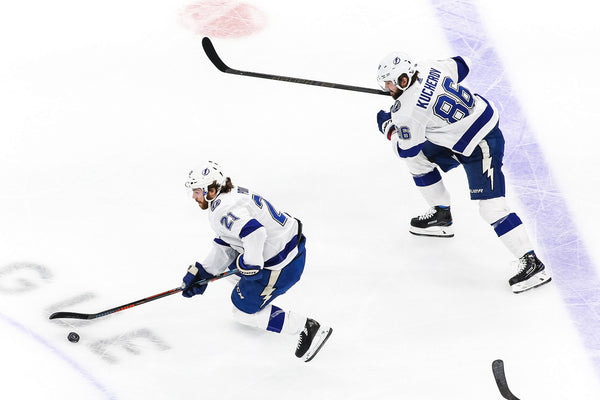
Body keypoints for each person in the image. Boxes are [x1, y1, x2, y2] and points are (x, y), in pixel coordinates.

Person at [375, 52, 551, 294]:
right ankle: (441, 214)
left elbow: (405, 148)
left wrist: (389, 127)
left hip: (481, 141)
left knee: (491, 208)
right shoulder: (427, 66)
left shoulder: (406, 113)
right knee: (419, 158)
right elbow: (462, 65)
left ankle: (533, 264)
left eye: (390, 83)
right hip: (457, 131)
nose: (386, 87)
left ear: (404, 79)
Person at [181, 160, 332, 361]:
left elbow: (255, 233)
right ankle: (255, 299)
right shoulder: (230, 195)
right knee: (233, 269)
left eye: (197, 191)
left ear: (212, 189)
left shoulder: (223, 209)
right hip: (290, 246)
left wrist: (251, 264)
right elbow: (228, 242)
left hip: (284, 265)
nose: (194, 196)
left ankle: (307, 327)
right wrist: (204, 272)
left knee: (241, 312)